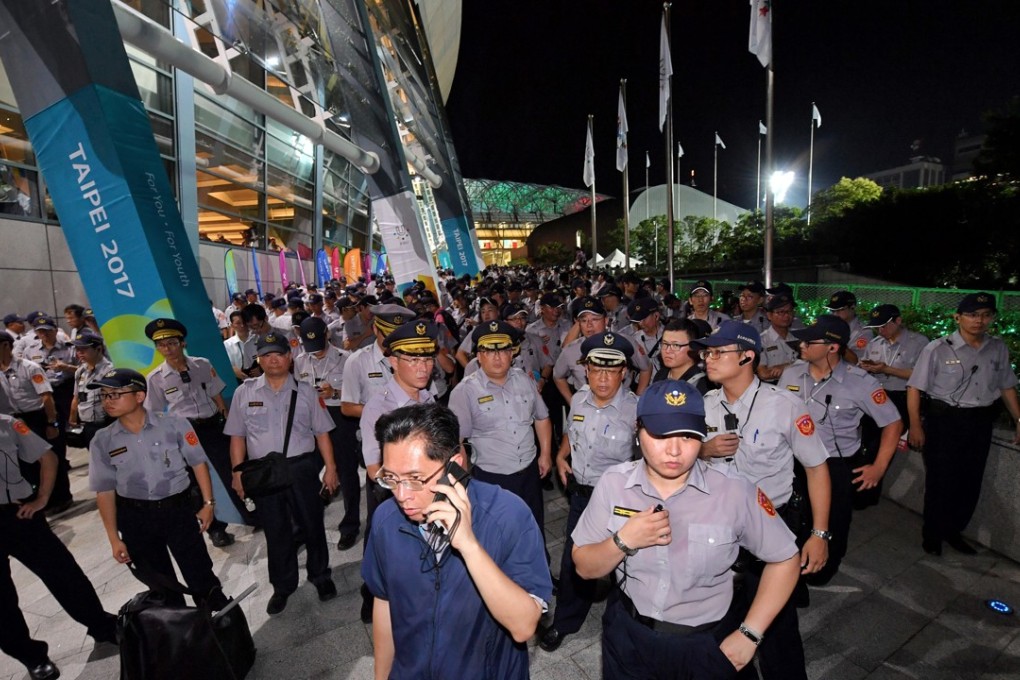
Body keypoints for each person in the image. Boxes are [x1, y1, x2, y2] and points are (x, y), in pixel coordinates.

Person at [571, 380, 800, 679]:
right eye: (660, 435)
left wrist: (750, 633)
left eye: (688, 436)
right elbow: (585, 568)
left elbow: (785, 558)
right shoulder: (614, 484)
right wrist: (623, 541)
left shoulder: (734, 491)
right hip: (629, 635)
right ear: (637, 432)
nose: (675, 450)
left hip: (705, 644)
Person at [362, 402, 552, 679]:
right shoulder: (385, 520)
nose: (402, 495)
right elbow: (384, 602)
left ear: (454, 466)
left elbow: (523, 626)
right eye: (391, 478)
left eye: (415, 479)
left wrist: (470, 546)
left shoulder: (509, 515)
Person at [694, 320, 832, 680]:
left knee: (777, 628)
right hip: (720, 528)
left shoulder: (784, 405)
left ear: (747, 356)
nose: (708, 359)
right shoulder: (704, 404)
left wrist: (819, 535)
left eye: (718, 352)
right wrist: (704, 450)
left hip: (773, 528)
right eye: (707, 352)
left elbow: (817, 469)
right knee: (723, 623)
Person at [88, 368, 229, 610]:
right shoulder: (102, 440)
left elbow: (197, 463)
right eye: (104, 395)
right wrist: (114, 539)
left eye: (115, 394)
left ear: (140, 396)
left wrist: (208, 505)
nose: (107, 401)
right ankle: (182, 639)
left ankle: (225, 633)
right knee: (162, 588)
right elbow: (104, 491)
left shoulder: (174, 424)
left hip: (179, 511)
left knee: (201, 577)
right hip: (136, 519)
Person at [778, 315, 902, 584]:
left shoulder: (861, 382)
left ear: (832, 347)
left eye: (810, 341)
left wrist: (878, 467)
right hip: (793, 461)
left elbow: (892, 422)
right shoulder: (791, 374)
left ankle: (822, 568)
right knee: (794, 517)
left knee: (832, 521)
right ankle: (792, 566)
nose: (802, 344)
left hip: (836, 465)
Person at [538, 331, 639, 652]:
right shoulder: (579, 398)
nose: (603, 378)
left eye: (611, 371)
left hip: (621, 501)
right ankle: (566, 621)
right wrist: (559, 455)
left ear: (624, 372)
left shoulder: (637, 410)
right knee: (573, 560)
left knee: (628, 563)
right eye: (596, 370)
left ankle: (629, 628)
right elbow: (573, 432)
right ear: (586, 371)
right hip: (582, 496)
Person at [226, 332, 339, 614]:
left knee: (312, 525)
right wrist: (237, 473)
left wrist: (331, 469)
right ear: (259, 360)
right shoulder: (244, 392)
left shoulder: (306, 392)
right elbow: (237, 437)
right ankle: (283, 585)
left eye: (278, 354)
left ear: (289, 358)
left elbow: (323, 433)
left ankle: (320, 575)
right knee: (276, 532)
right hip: (264, 474)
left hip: (301, 467)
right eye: (266, 355)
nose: (272, 359)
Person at [1, 412, 117, 680]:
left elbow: (48, 457)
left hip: (18, 515)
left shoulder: (7, 424)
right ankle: (32, 658)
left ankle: (102, 626)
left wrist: (42, 498)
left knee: (63, 574)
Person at [907, 292, 1020, 556]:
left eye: (985, 315)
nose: (979, 321)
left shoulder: (998, 348)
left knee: (970, 481)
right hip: (944, 422)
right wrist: (915, 425)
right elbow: (914, 387)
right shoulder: (937, 348)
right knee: (940, 480)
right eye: (972, 314)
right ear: (957, 317)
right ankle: (932, 535)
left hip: (979, 422)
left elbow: (1007, 386)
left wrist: (1018, 419)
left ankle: (953, 531)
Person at [449, 320, 553, 535]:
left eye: (503, 350)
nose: (497, 357)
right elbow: (456, 442)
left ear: (512, 353)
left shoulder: (524, 380)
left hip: (529, 473)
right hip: (492, 477)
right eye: (489, 351)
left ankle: (538, 567)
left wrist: (545, 454)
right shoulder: (464, 392)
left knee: (534, 527)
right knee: (500, 534)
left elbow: (542, 418)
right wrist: (463, 484)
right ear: (478, 355)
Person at [143, 318, 239, 546]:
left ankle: (246, 512)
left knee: (229, 470)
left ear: (182, 343)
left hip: (212, 426)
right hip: (186, 435)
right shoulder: (155, 378)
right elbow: (153, 412)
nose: (168, 349)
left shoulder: (202, 364)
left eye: (172, 343)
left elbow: (216, 392)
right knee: (197, 481)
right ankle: (216, 528)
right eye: (162, 345)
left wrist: (223, 413)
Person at [856, 304, 928, 508]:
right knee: (867, 446)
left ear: (898, 321)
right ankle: (863, 494)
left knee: (882, 448)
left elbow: (921, 375)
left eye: (884, 325)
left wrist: (887, 369)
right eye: (877, 326)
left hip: (902, 398)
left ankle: (867, 495)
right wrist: (867, 367)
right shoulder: (876, 343)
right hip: (875, 397)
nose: (880, 330)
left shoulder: (918, 343)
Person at [293, 316, 354, 548]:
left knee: (347, 474)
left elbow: (354, 396)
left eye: (318, 344)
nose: (315, 352)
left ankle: (349, 525)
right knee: (307, 473)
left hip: (339, 418)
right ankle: (303, 527)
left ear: (327, 335)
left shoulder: (345, 359)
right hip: (312, 421)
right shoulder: (300, 361)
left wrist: (335, 393)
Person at [0, 331, 71, 512]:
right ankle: (36, 497)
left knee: (50, 456)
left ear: (6, 345)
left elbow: (46, 396)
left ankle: (61, 498)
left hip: (37, 417)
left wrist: (51, 422)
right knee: (26, 462)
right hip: (14, 420)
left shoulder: (29, 367)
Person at [68, 330, 113, 447]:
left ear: (98, 349)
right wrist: (72, 419)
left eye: (83, 349)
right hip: (88, 425)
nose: (79, 353)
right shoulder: (80, 371)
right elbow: (76, 397)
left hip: (107, 423)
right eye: (77, 350)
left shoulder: (110, 371)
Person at [652, 318, 710, 393]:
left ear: (693, 347)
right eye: (665, 344)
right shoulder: (660, 375)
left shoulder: (701, 386)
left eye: (676, 345)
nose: (668, 350)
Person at [757, 295, 799, 383]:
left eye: (789, 311)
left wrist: (784, 367)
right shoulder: (762, 340)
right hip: (773, 388)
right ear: (769, 315)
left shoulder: (798, 337)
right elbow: (763, 374)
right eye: (781, 312)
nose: (786, 315)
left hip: (798, 386)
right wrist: (797, 366)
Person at [825, 291, 872, 364]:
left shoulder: (864, 331)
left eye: (840, 309)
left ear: (852, 307)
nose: (835, 313)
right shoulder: (828, 325)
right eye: (833, 310)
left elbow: (858, 361)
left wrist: (835, 340)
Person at [223, 310, 260, 383]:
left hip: (259, 377)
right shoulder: (227, 344)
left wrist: (261, 369)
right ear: (232, 325)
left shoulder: (258, 339)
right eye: (238, 323)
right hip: (239, 380)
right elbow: (226, 363)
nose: (242, 325)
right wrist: (232, 369)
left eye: (244, 322)